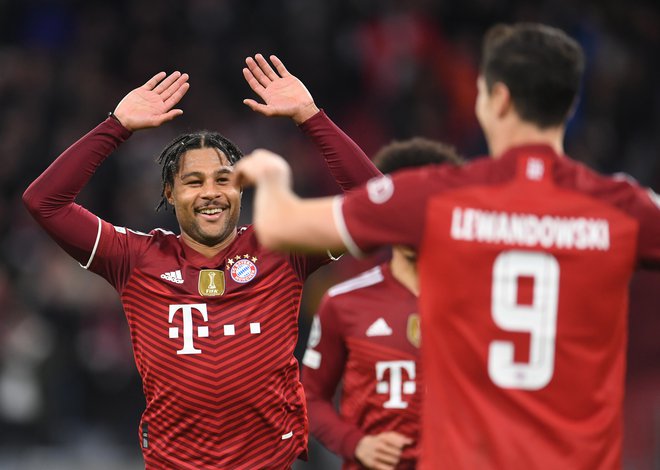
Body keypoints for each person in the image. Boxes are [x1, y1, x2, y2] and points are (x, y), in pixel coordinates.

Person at [234, 23, 660, 469]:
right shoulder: (623, 207)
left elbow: (282, 226)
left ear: (498, 99)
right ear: (569, 102)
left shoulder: (439, 200)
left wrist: (271, 173)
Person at [23, 55, 381, 469]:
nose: (211, 192)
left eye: (223, 179)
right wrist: (115, 128)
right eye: (194, 181)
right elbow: (43, 203)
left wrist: (310, 117)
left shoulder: (284, 246)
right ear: (170, 194)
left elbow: (378, 204)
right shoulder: (136, 258)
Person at [301, 139, 462, 470]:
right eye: (405, 207)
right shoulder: (343, 302)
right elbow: (311, 399)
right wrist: (356, 444)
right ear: (385, 212)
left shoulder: (484, 302)